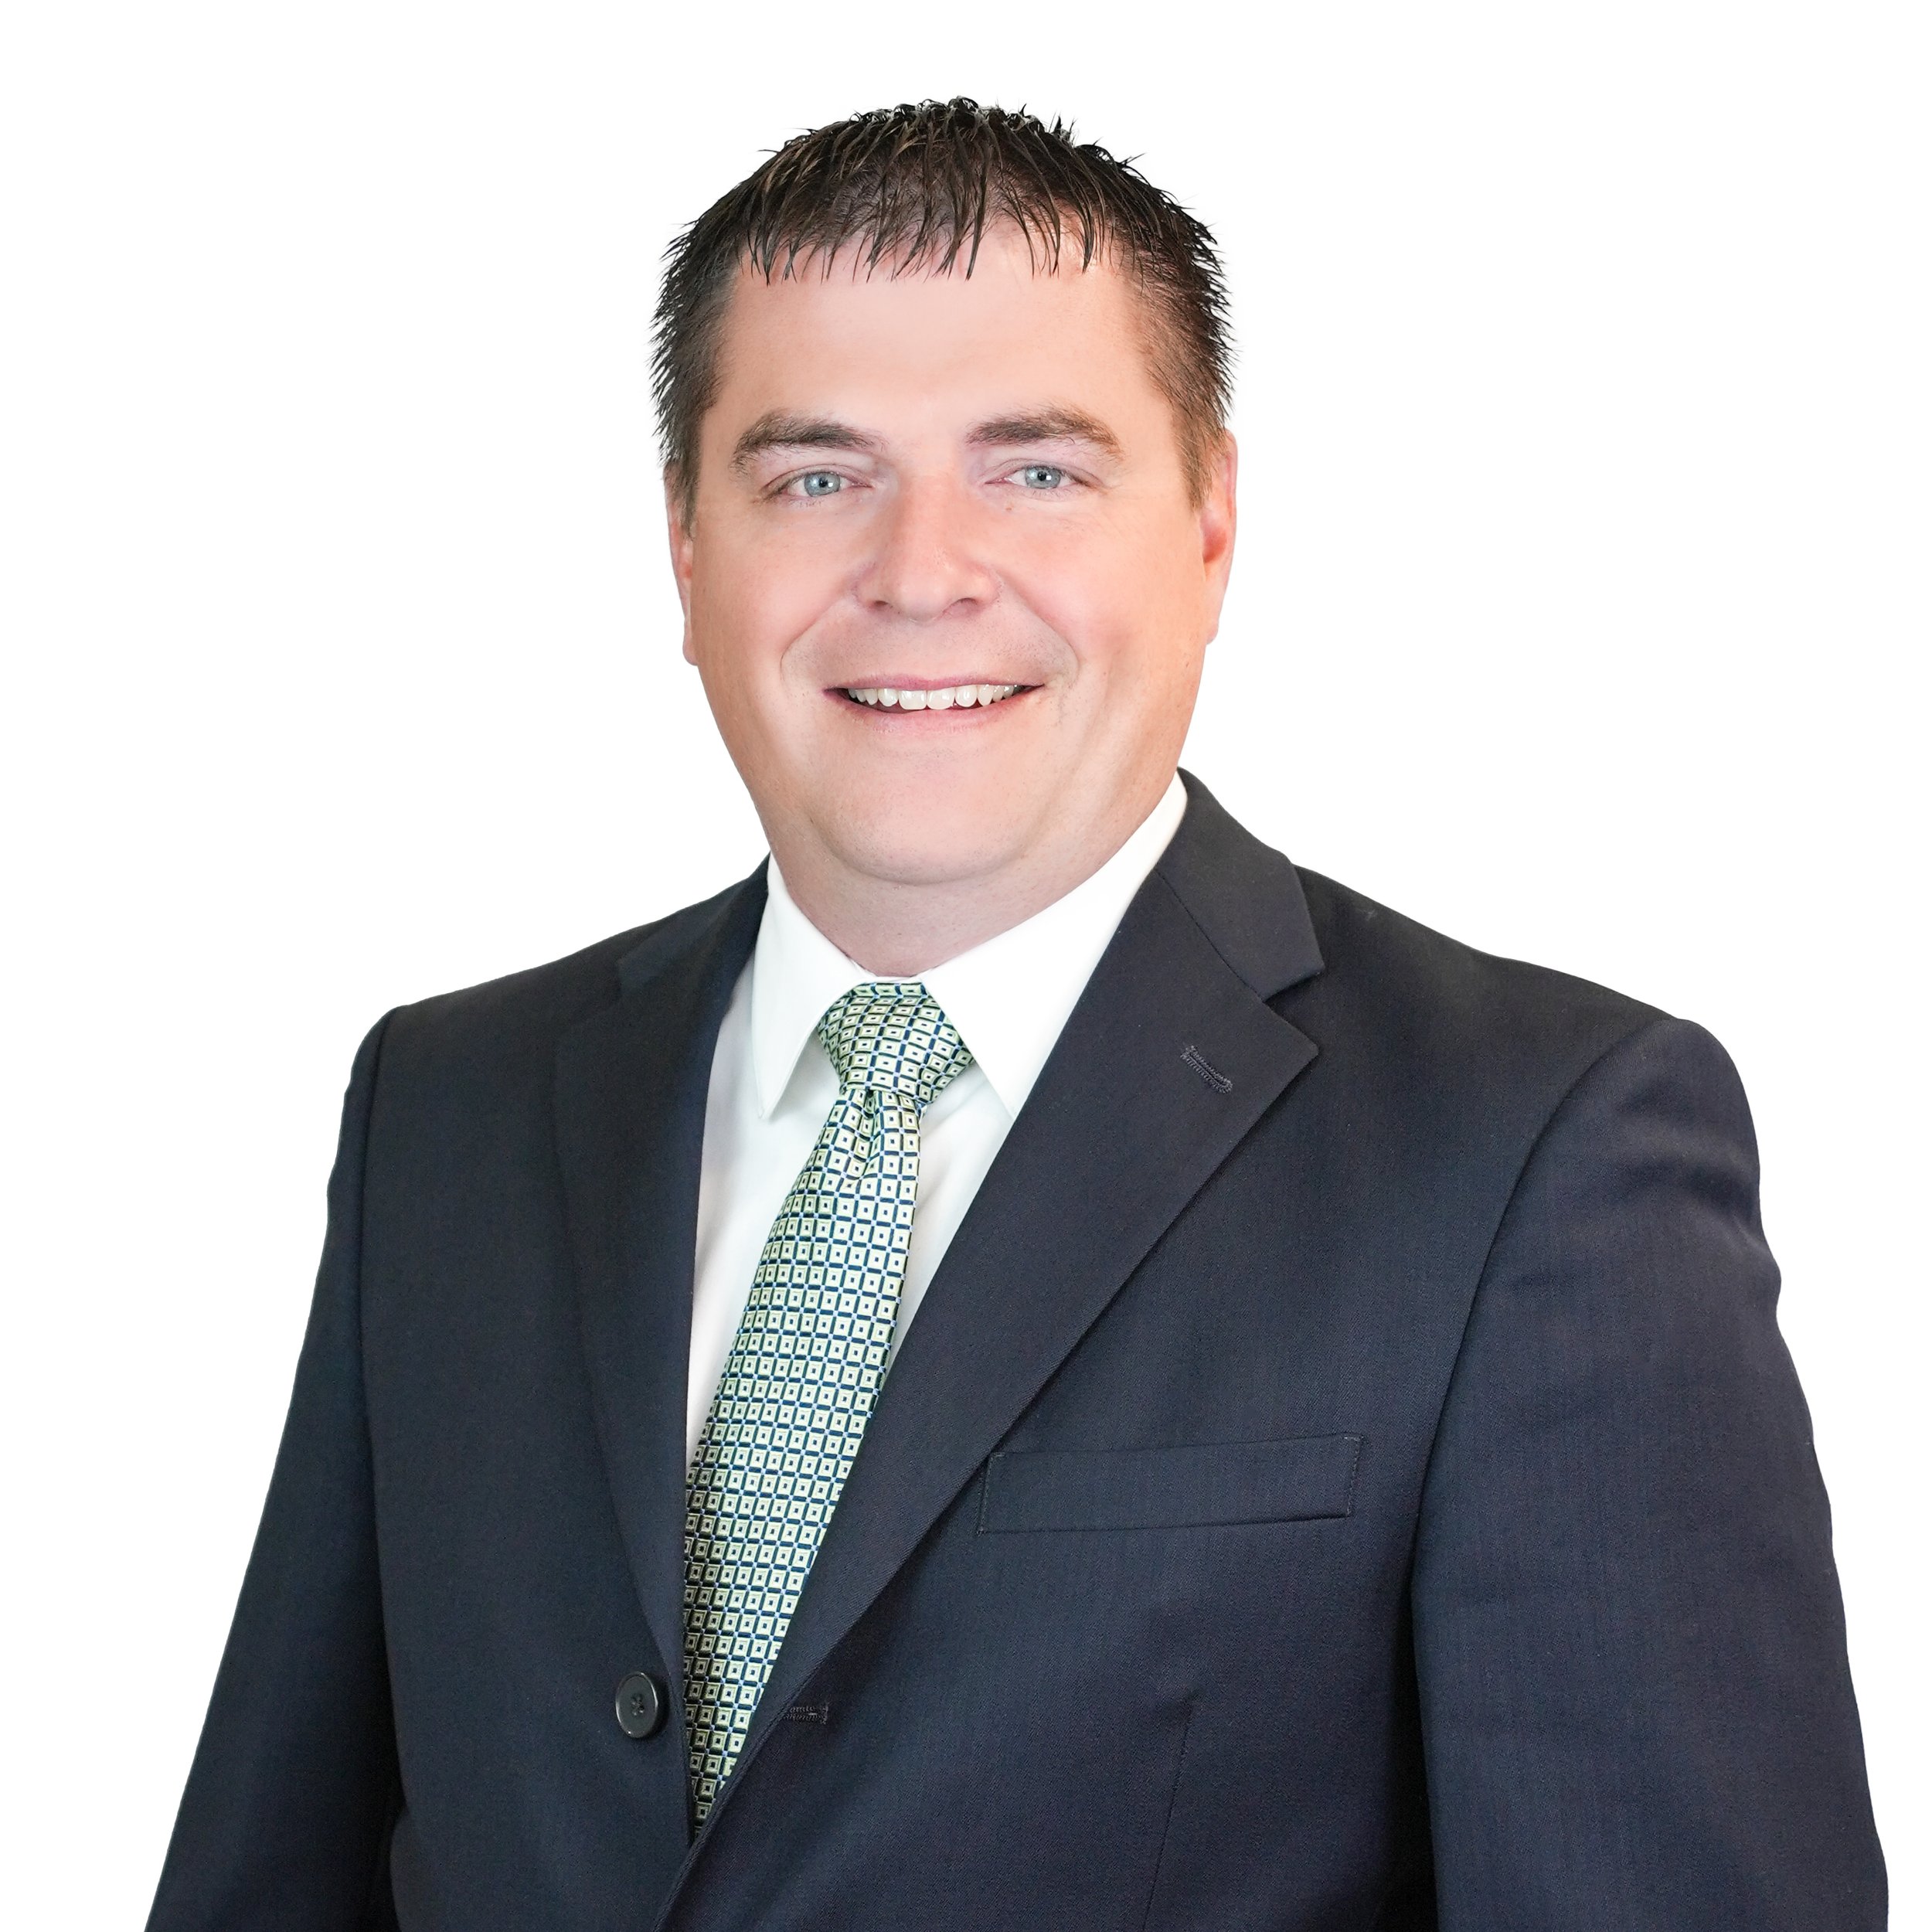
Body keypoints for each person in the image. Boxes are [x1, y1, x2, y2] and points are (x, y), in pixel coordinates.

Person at [148, 100, 1885, 1930]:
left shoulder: (1537, 1150)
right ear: (685, 549)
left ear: (1210, 521)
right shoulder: (450, 1107)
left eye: (1034, 469)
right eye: (814, 474)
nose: (919, 571)